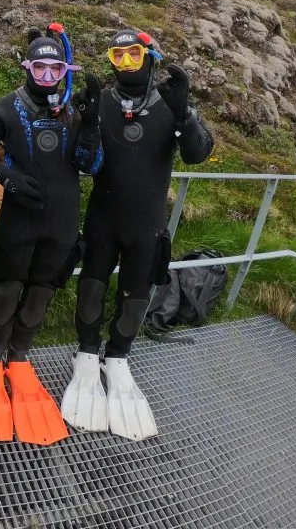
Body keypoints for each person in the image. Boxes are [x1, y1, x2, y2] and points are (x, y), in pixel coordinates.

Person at [62, 30, 214, 440]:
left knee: (136, 294)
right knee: (91, 288)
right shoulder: (104, 102)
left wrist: (186, 117)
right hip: (102, 220)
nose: (126, 63)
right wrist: (86, 121)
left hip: (145, 225)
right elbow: (80, 159)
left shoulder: (170, 102)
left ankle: (119, 357)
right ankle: (87, 352)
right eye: (118, 55)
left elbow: (198, 154)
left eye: (134, 55)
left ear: (149, 56)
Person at [0, 26, 102, 447]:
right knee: (8, 288)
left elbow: (90, 164)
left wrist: (92, 124)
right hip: (19, 219)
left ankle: (19, 356)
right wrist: (7, 177)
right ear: (26, 66)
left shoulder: (75, 111)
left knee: (42, 289)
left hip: (61, 220)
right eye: (38, 67)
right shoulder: (6, 109)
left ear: (65, 70)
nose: (46, 75)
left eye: (54, 68)